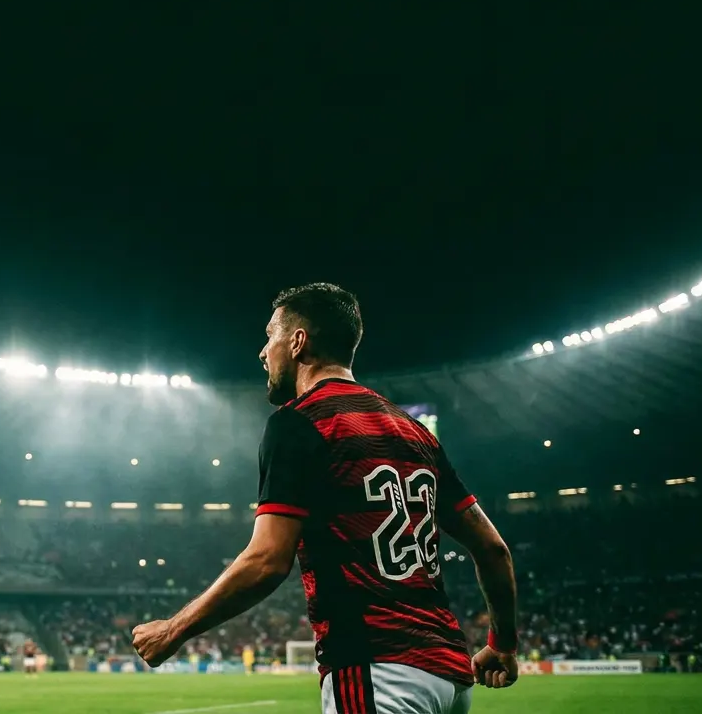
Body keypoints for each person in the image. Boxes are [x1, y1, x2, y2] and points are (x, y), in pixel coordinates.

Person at [133, 283, 519, 713]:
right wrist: (502, 643)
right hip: (451, 676)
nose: (263, 352)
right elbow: (493, 548)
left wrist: (174, 629)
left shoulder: (300, 423)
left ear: (298, 342)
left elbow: (266, 561)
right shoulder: (415, 432)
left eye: (270, 336)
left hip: (375, 670)